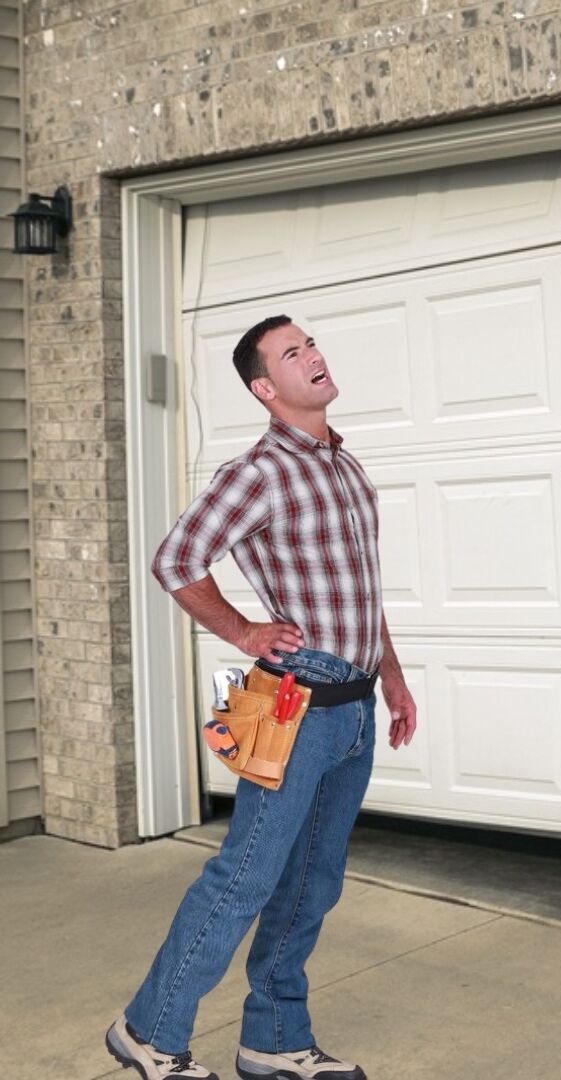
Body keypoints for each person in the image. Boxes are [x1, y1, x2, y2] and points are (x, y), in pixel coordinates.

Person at [105, 315, 419, 1080]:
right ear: (264, 388)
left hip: (352, 707)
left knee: (313, 882)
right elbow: (175, 559)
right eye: (291, 353)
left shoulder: (344, 466)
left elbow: (360, 590)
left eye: (309, 343)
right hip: (293, 703)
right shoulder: (260, 472)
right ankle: (149, 1031)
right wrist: (245, 632)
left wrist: (394, 677)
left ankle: (274, 1038)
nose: (311, 355)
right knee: (245, 876)